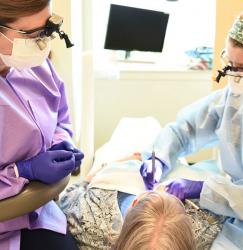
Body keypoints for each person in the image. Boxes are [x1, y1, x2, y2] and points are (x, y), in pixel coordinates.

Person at [140, 9, 243, 250]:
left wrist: (205, 189)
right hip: (237, 224)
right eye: (229, 64)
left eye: (242, 68)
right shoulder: (235, 101)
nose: (233, 75)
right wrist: (157, 159)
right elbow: (184, 129)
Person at [0, 1, 84, 249]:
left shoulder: (36, 67)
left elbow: (61, 117)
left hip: (40, 216)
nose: (43, 43)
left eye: (47, 29)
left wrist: (62, 142)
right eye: (32, 35)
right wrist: (21, 172)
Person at [59, 154, 224, 250]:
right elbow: (232, 201)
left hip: (121, 166)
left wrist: (95, 173)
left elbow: (68, 196)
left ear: (134, 202)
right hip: (191, 170)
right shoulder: (205, 229)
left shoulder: (88, 222)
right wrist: (204, 188)